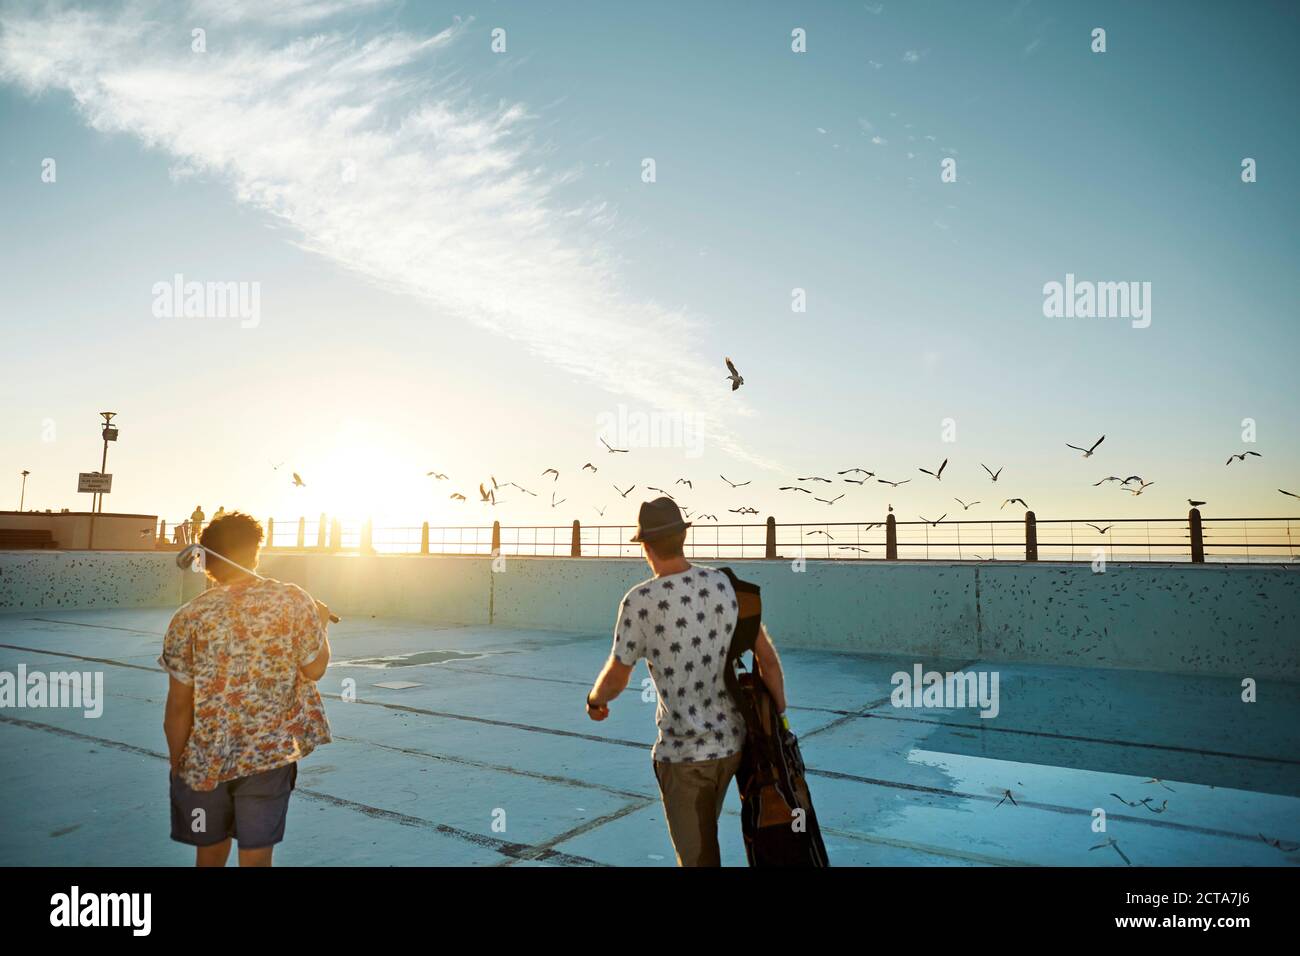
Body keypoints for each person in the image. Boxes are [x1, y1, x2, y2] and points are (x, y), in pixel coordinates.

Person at [585, 497, 788, 866]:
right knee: (723, 836)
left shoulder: (640, 601)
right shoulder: (725, 585)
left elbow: (618, 673)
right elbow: (768, 662)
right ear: (682, 537)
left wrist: (596, 701)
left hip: (684, 757)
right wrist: (780, 722)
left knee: (698, 858)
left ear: (645, 546)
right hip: (734, 748)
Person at [159, 511, 333, 866]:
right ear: (255, 552)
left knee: (208, 855)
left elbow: (177, 707)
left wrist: (181, 764)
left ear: (207, 561)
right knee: (256, 858)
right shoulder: (293, 600)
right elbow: (315, 668)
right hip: (267, 756)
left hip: (205, 757)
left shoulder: (188, 617)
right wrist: (320, 621)